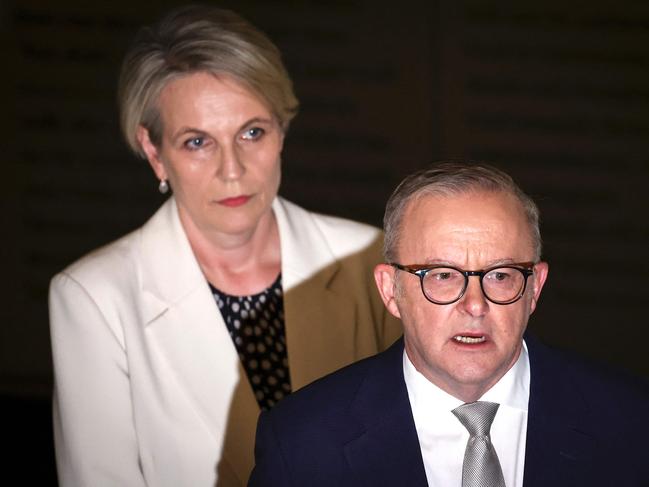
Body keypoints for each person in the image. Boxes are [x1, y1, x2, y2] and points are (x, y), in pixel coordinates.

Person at [48, 5, 401, 486]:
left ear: (282, 130)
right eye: (197, 142)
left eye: (251, 132)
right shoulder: (93, 297)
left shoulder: (370, 258)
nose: (231, 169)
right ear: (154, 152)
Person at [249, 162, 649, 487]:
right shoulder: (302, 444)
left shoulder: (632, 423)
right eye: (442, 276)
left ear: (535, 288)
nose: (474, 305)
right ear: (391, 290)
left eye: (500, 275)